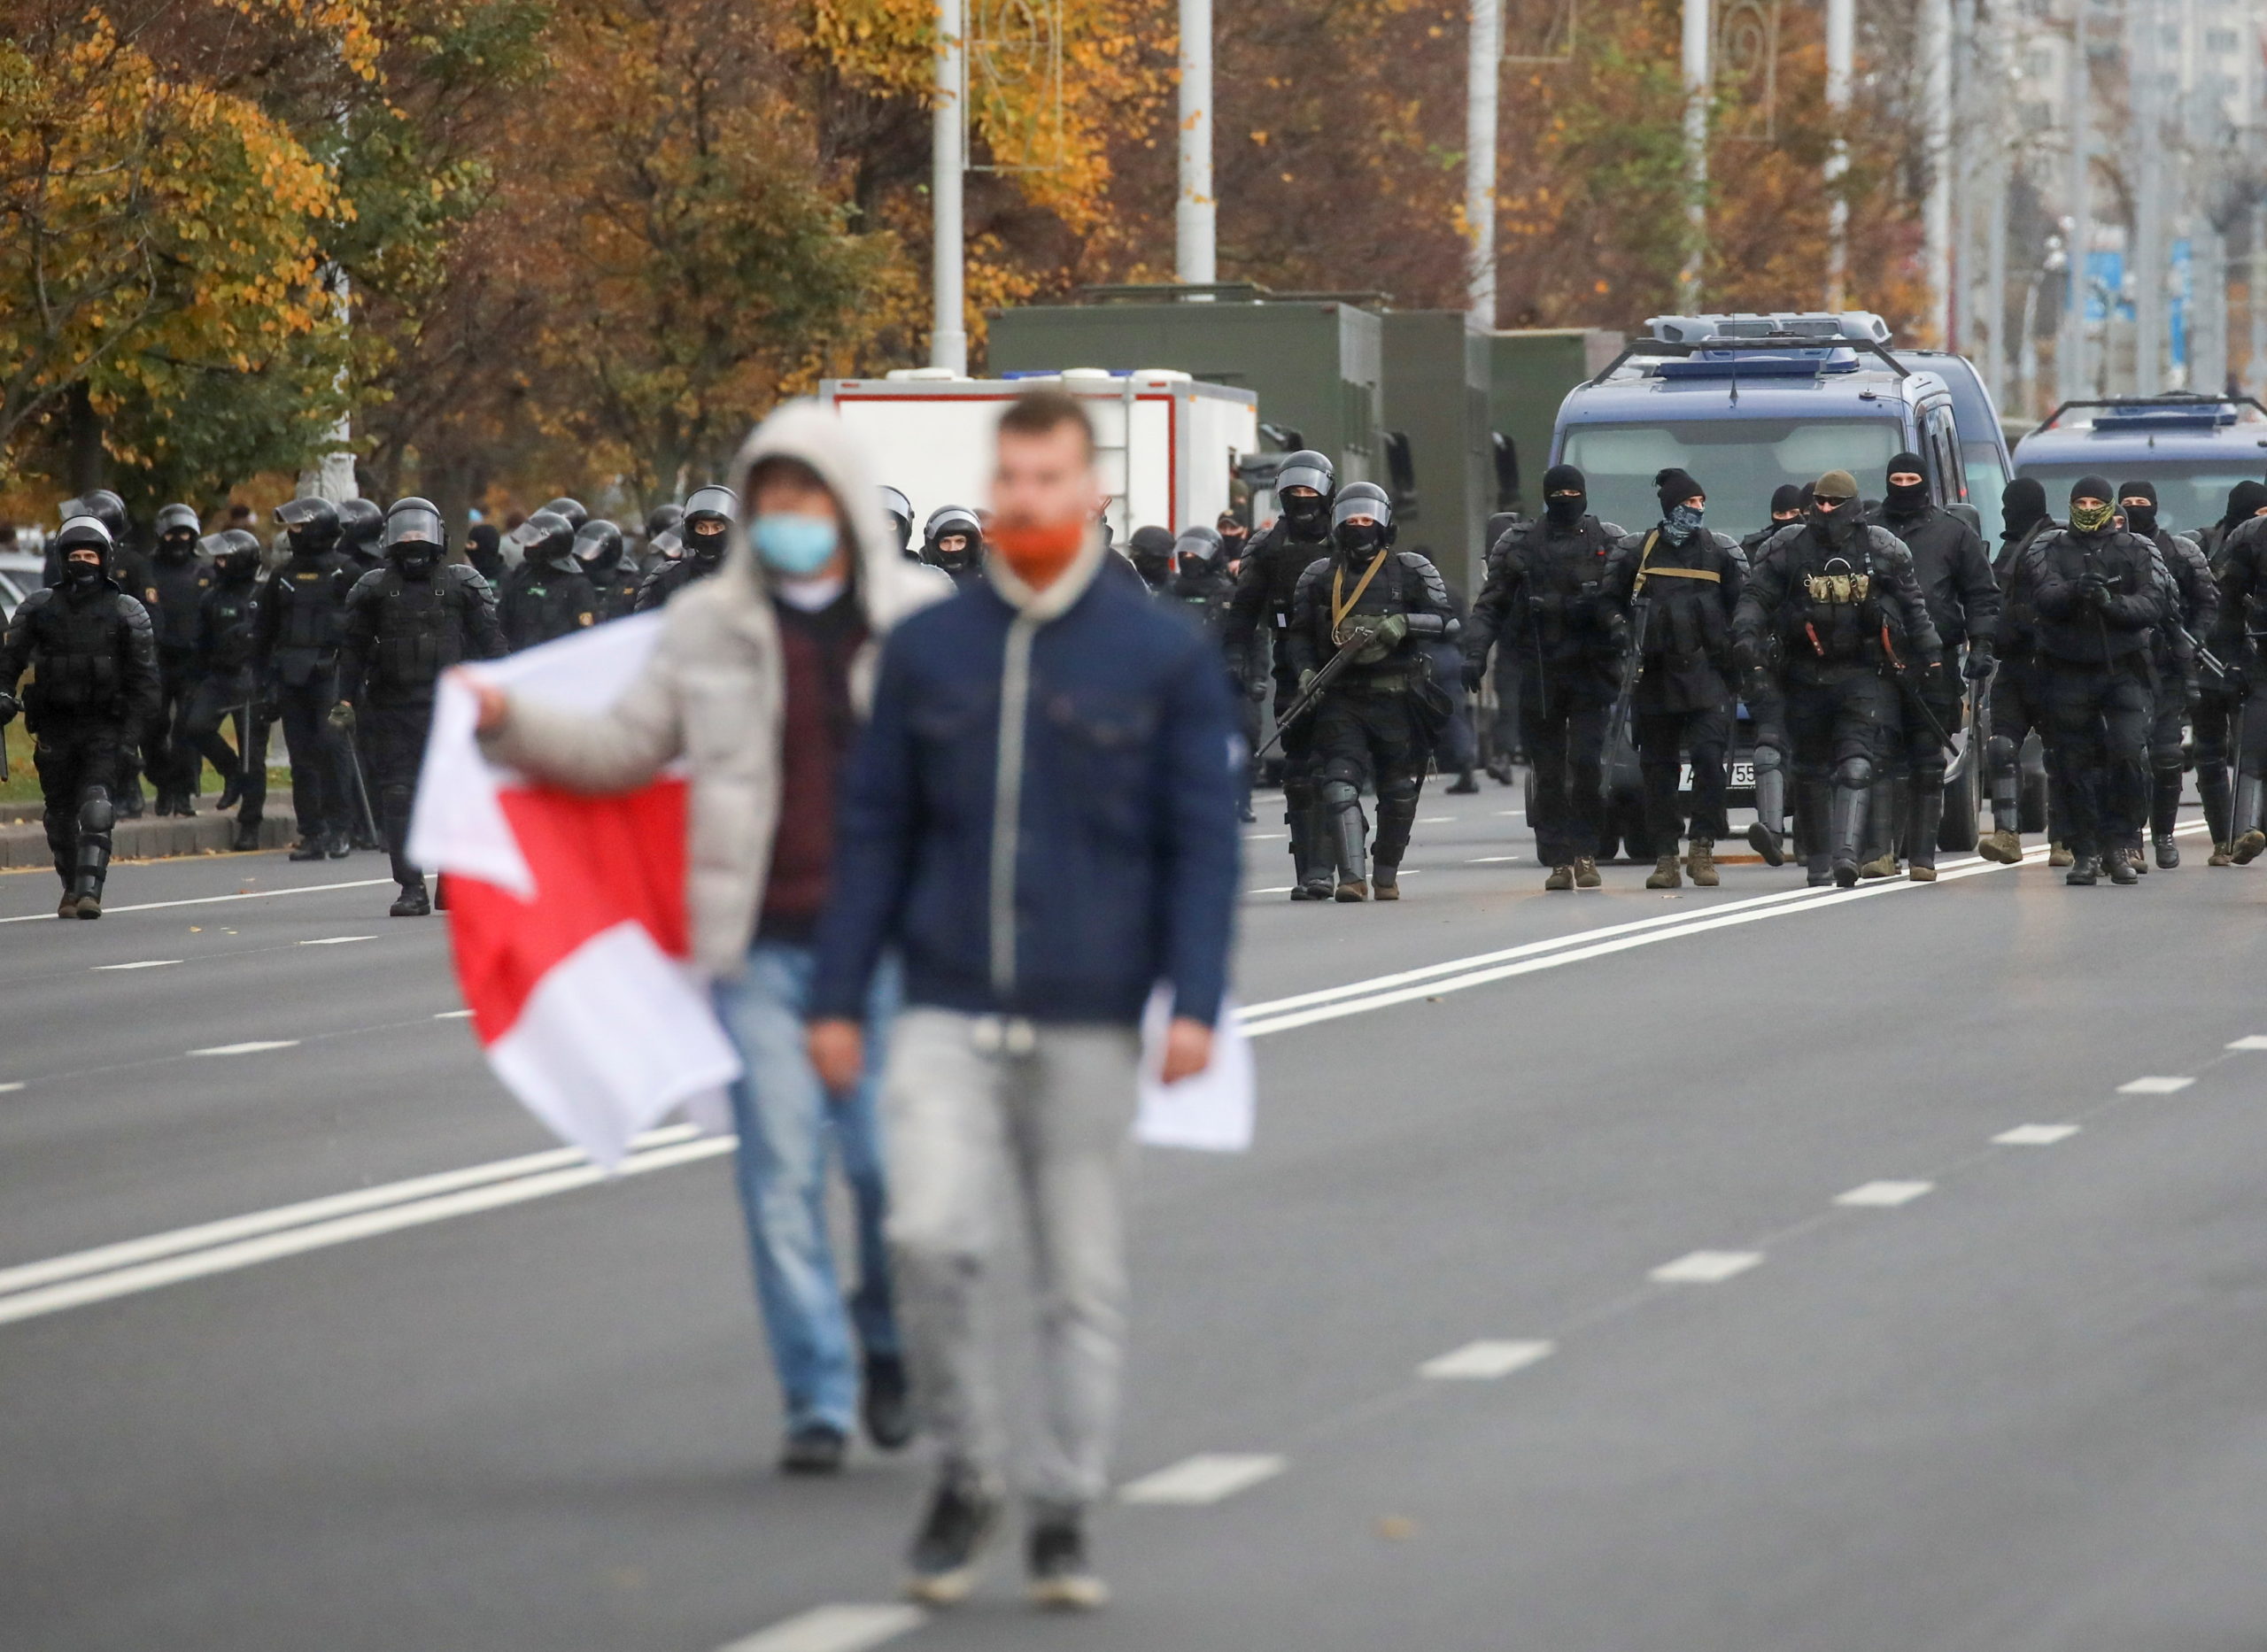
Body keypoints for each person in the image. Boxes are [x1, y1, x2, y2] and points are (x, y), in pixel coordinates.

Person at [809, 389, 1238, 1610]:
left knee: (1078, 1279)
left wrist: (1194, 1000)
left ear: (1091, 493)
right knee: (927, 1238)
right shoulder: (932, 651)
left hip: (1090, 1012)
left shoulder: (1160, 654)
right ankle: (969, 1471)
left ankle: (1061, 1501)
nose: (1032, 503)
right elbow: (877, 830)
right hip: (943, 1002)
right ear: (997, 494)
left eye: (1055, 480)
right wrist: (839, 994)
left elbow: (1199, 844)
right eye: (1015, 482)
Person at [468, 405, 938, 1479]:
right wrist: (506, 718)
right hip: (760, 949)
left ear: (848, 504)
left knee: (887, 1174)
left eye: (807, 496)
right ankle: (817, 1396)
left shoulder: (919, 617)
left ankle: (886, 1338)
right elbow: (619, 749)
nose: (789, 518)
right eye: (770, 498)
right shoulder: (705, 627)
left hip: (890, 947)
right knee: (778, 1173)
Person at [1733, 469, 1942, 887]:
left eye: (1834, 503)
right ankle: (1819, 861)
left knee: (1856, 762)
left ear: (1851, 506)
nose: (1825, 510)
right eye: (1820, 502)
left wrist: (1932, 655)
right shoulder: (1788, 546)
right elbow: (1756, 596)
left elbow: (1912, 603)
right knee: (1809, 768)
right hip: (1803, 672)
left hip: (1863, 672)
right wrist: (1745, 635)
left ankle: (1848, 856)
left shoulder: (1882, 548)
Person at [1286, 483, 1458, 899]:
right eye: (1351, 520)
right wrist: (1306, 671)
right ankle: (1351, 878)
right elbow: (1299, 635)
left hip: (1398, 697)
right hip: (1342, 697)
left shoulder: (1411, 570)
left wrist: (1405, 624)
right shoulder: (1320, 575)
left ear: (1382, 525)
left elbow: (1447, 622)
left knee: (1399, 792)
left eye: (1367, 520)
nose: (1359, 528)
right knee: (1339, 783)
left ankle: (1385, 872)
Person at [335, 498, 506, 915]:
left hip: (449, 710)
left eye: (420, 531)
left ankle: (451, 879)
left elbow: (492, 643)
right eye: (404, 533)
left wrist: (504, 693)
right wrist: (343, 699)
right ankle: (411, 886)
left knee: (450, 798)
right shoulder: (373, 589)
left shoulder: (461, 585)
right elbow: (352, 650)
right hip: (392, 710)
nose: (413, 540)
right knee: (398, 796)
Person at [1462, 464, 1626, 890]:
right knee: (1548, 771)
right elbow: (1490, 606)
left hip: (1592, 672)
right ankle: (1558, 859)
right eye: (1560, 493)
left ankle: (1587, 852)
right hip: (1539, 671)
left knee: (1587, 765)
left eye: (1574, 492)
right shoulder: (1519, 545)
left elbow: (1633, 601)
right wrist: (1475, 654)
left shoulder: (1608, 542)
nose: (1566, 500)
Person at [0, 514, 161, 916]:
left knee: (96, 806)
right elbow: (9, 662)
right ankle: (71, 886)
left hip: (104, 726)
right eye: (76, 554)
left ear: (105, 559)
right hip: (54, 725)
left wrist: (131, 737)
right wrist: (3, 694)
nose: (83, 562)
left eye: (91, 554)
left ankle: (90, 892)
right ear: (62, 558)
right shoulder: (39, 608)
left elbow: (145, 684)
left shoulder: (127, 611)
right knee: (58, 815)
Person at [1602, 467, 1745, 888]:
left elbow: (1744, 607)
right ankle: (1666, 855)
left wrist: (1743, 650)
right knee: (1658, 771)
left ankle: (1702, 849)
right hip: (1656, 676)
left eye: (1701, 503)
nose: (1698, 510)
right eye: (1690, 503)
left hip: (1706, 676)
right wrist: (1619, 628)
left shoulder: (1719, 553)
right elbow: (1607, 601)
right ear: (1671, 507)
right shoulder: (1638, 554)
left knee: (1708, 763)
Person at [1861, 453, 2000, 880]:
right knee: (1879, 756)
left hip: (1933, 663)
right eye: (1897, 479)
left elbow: (1981, 594)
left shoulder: (1953, 533)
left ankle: (1922, 857)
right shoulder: (1865, 532)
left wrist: (1982, 646)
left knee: (1927, 758)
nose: (1904, 486)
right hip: (1876, 662)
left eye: (1912, 478)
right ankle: (1879, 852)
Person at [2025, 477, 2160, 884]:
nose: (2087, 508)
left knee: (2127, 755)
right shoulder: (2052, 548)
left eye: (2095, 502)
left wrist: (2111, 603)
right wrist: (2074, 592)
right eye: (2079, 501)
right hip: (2068, 669)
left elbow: (2153, 603)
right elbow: (2044, 597)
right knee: (2073, 765)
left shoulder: (2134, 549)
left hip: (2121, 669)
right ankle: (2084, 850)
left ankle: (2119, 844)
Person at [1224, 451, 1338, 895]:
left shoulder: (1348, 535)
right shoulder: (1267, 547)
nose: (1303, 499)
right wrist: (1233, 656)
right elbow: (1243, 611)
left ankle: (1345, 866)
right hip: (1292, 667)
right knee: (1300, 770)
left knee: (1339, 767)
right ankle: (1311, 870)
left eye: (1310, 491)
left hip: (1345, 666)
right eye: (1293, 492)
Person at [251, 497, 357, 860]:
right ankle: (312, 832)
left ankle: (341, 828)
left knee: (333, 747)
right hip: (292, 676)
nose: (292, 534)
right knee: (301, 757)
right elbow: (263, 632)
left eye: (298, 527)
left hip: (334, 676)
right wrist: (263, 683)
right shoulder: (282, 576)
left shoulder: (347, 572)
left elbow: (364, 629)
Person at [2120, 479, 2217, 868]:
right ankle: (2130, 838)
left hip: (2169, 670)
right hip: (2126, 667)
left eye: (2141, 502)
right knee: (2128, 756)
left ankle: (2163, 835)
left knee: (2166, 756)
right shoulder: (2111, 549)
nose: (2134, 508)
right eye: (2126, 502)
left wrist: (2192, 643)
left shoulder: (2181, 551)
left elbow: (2208, 603)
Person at [1979, 478, 2059, 864]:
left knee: (2064, 755)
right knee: (2001, 746)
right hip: (2012, 667)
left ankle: (2065, 838)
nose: (2007, 512)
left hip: (2054, 667)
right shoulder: (2007, 552)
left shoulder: (2057, 545)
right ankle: (2007, 834)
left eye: (2011, 505)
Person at [2193, 481, 2267, 862]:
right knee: (2247, 750)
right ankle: (2239, 835)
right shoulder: (2248, 538)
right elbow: (2229, 604)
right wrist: (2232, 659)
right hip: (2250, 661)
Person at [182, 529, 270, 852]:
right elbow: (201, 645)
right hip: (220, 678)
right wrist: (195, 681)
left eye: (224, 558)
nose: (218, 564)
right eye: (216, 558)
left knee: (254, 755)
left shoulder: (264, 594)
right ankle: (229, 770)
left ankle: (250, 823)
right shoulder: (212, 597)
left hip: (253, 679)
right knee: (196, 726)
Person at [1738, 485, 1808, 863]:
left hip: (1817, 662)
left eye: (1792, 515)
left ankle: (1810, 835)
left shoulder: (1828, 551)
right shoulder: (1757, 554)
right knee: (1769, 745)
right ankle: (1772, 832)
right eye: (1779, 516)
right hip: (1768, 661)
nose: (1786, 523)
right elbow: (1746, 602)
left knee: (1817, 751)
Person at [146, 503, 213, 816]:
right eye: (174, 533)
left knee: (186, 729)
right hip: (155, 659)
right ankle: (163, 786)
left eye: (186, 533)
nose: (180, 539)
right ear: (162, 535)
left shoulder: (204, 572)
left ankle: (184, 792)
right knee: (153, 726)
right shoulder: (147, 570)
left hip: (192, 662)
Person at [499, 511, 600, 649]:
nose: (527, 546)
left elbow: (586, 638)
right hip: (520, 661)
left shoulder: (577, 585)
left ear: (550, 545)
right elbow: (501, 623)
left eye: (533, 543)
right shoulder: (521, 576)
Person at [636, 486, 733, 611]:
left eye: (717, 527)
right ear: (690, 532)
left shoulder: (750, 577)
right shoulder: (669, 579)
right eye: (702, 528)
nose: (709, 534)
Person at [920, 505, 986, 587]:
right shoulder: (919, 579)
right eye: (945, 541)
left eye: (960, 541)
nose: (952, 548)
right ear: (934, 546)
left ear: (972, 545)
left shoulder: (990, 581)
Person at [1125, 525, 1176, 592]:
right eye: (1133, 551)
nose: (1133, 558)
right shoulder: (1126, 586)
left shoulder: (1179, 588)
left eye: (1138, 552)